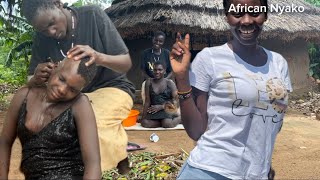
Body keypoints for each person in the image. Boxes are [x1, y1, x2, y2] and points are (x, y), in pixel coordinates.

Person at [170, 0, 292, 179]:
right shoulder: (209, 59)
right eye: (237, 14)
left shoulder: (279, 63)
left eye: (254, 12)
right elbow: (196, 131)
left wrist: (263, 165)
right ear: (227, 17)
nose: (246, 20)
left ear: (265, 15)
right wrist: (182, 79)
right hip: (209, 171)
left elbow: (269, 122)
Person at [21, 0, 135, 173]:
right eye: (44, 30)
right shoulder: (42, 38)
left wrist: (98, 57)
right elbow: (31, 80)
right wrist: (36, 77)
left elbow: (125, 63)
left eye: (52, 23)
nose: (51, 32)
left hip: (113, 87)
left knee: (89, 126)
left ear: (58, 4)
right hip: (74, 96)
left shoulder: (93, 16)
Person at [0, 57, 101, 179]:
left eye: (73, 90)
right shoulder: (24, 96)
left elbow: (93, 163)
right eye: (62, 79)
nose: (62, 90)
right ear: (55, 67)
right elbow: (4, 142)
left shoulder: (80, 104)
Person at [141, 61, 181, 128]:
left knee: (167, 124)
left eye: (160, 70)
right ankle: (162, 123)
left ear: (164, 71)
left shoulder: (170, 83)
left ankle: (180, 118)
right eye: (155, 70)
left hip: (167, 109)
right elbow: (147, 101)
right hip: (154, 110)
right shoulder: (148, 82)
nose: (157, 72)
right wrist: (143, 117)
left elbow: (177, 101)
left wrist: (162, 107)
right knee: (145, 123)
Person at [140, 31, 173, 104]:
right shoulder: (145, 53)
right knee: (146, 97)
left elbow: (171, 71)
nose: (157, 43)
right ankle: (148, 111)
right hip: (149, 81)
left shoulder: (166, 53)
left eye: (160, 41)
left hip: (164, 80)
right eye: (156, 40)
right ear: (153, 39)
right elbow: (143, 71)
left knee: (172, 93)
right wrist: (150, 81)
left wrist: (165, 80)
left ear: (163, 42)